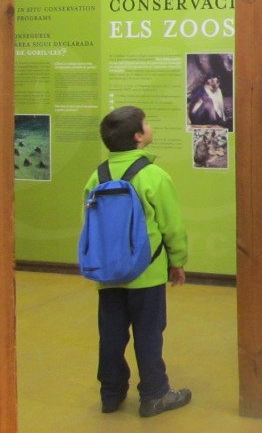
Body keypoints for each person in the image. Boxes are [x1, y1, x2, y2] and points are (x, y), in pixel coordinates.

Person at [84, 106, 191, 417]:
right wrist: (177, 261)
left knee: (111, 333)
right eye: (147, 122)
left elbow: (91, 224)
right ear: (138, 136)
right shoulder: (153, 175)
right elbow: (172, 226)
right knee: (148, 332)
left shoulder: (98, 175)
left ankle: (111, 393)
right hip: (147, 271)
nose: (149, 126)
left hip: (108, 272)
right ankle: (155, 394)